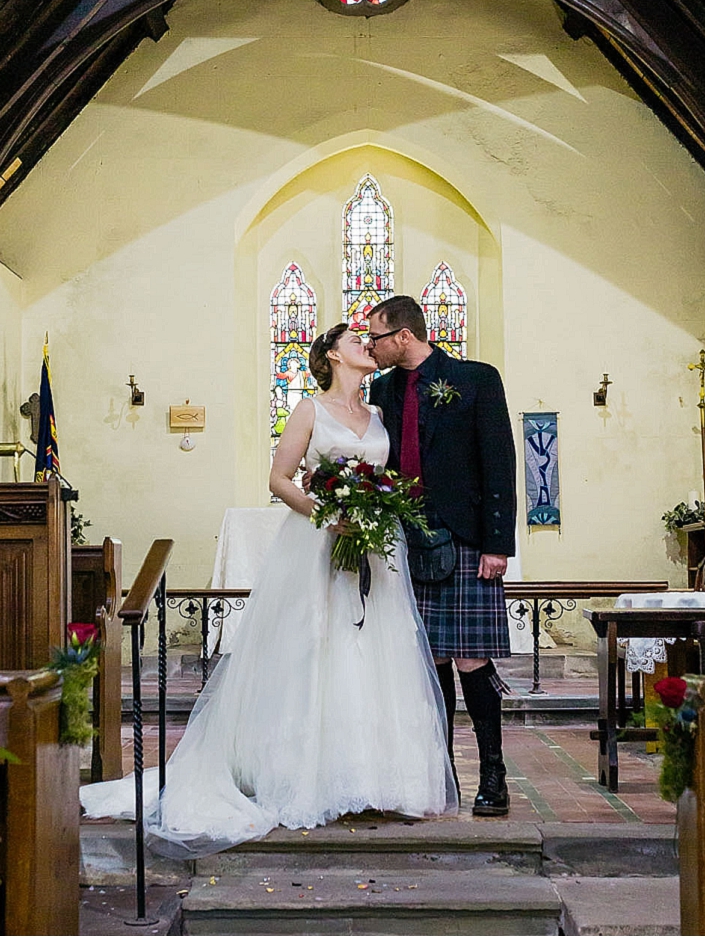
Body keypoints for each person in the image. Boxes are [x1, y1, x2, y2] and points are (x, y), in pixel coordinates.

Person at [80, 324, 456, 851]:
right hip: (318, 546)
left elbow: (387, 475)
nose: (365, 346)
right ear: (330, 355)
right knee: (315, 648)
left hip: (374, 547)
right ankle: (305, 774)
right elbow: (279, 479)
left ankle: (375, 777)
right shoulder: (309, 410)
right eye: (354, 340)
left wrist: (373, 508)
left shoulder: (379, 415)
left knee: (375, 650)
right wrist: (327, 514)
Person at [366, 294, 519, 816]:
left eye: (378, 338)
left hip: (465, 538)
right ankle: (441, 772)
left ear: (404, 335)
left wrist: (498, 544)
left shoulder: (476, 379)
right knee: (428, 665)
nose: (372, 346)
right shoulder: (382, 387)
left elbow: (499, 461)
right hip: (406, 539)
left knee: (473, 660)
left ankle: (493, 773)